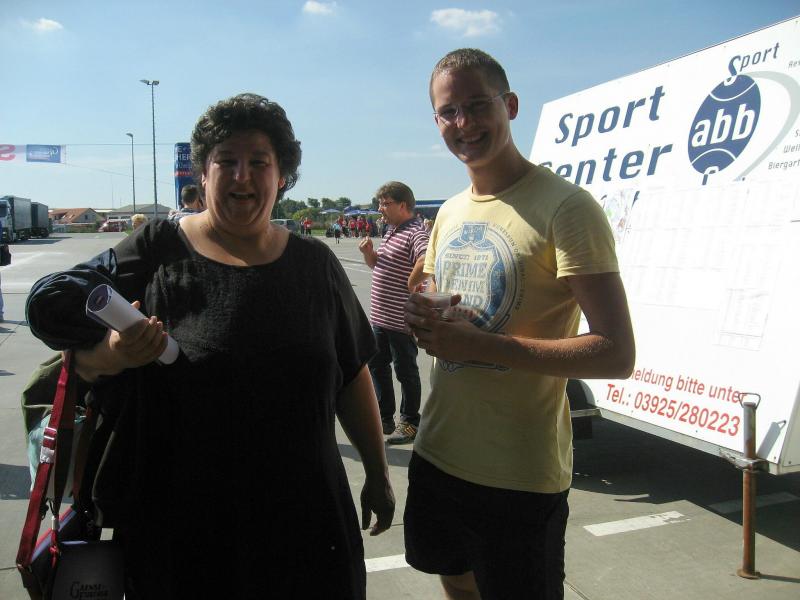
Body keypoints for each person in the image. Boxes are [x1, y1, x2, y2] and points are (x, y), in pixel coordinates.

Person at [26, 93, 395, 599]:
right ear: (202, 174)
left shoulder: (316, 264)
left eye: (259, 162)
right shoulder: (158, 250)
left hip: (307, 524)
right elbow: (48, 305)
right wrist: (111, 351)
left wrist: (377, 472)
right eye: (226, 161)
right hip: (181, 533)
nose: (242, 176)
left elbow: (352, 375)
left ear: (282, 176)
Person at [403, 49, 635, 599]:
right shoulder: (450, 212)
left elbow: (615, 352)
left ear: (509, 105)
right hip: (439, 450)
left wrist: (482, 345)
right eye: (448, 111)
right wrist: (421, 318)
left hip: (517, 472)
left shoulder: (567, 207)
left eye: (477, 105)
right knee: (456, 581)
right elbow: (437, 307)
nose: (463, 122)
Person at [358, 181, 429, 444]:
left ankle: (409, 422)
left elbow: (426, 259)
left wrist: (412, 284)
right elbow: (379, 266)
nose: (380, 209)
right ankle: (384, 416)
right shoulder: (392, 230)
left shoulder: (415, 231)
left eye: (385, 204)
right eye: (380, 204)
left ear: (403, 205)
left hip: (400, 321)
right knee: (377, 366)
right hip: (380, 318)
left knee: (405, 371)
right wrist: (369, 254)